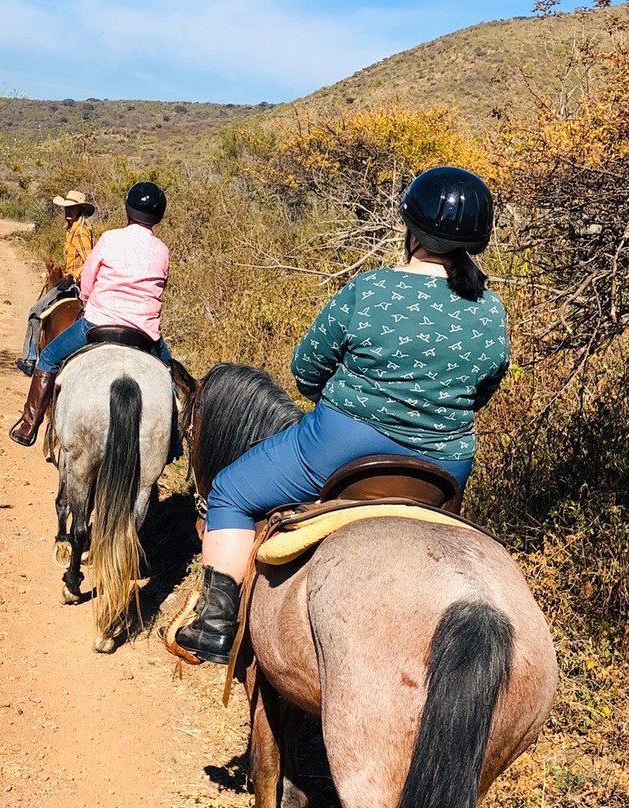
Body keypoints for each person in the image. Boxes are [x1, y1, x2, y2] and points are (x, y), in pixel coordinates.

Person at [168, 166, 510, 665]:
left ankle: (216, 625)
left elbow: (305, 370)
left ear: (411, 230)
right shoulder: (489, 309)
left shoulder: (369, 289)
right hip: (445, 467)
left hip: (338, 446)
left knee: (230, 492)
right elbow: (484, 389)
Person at [9, 181, 172, 447]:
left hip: (98, 323)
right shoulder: (162, 250)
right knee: (169, 375)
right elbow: (160, 286)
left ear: (128, 210)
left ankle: (29, 425)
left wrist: (86, 299)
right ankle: (173, 441)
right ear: (158, 216)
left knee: (49, 357)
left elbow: (87, 279)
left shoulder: (110, 238)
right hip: (144, 333)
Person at [15, 190, 95, 376]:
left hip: (76, 283)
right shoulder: (71, 229)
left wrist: (72, 277)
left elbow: (89, 259)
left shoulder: (80, 231)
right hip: (71, 279)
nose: (68, 211)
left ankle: (30, 358)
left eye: (72, 208)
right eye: (66, 207)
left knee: (35, 311)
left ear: (79, 210)